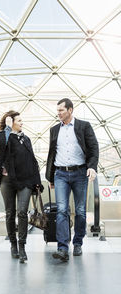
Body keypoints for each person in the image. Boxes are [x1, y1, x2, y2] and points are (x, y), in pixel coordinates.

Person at [45, 98, 99, 262]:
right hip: (60, 174)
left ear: (70, 110)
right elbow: (52, 153)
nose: (59, 113)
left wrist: (92, 166)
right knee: (62, 210)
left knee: (81, 211)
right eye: (58, 111)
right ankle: (62, 248)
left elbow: (93, 147)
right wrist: (51, 176)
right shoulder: (54, 129)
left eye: (61, 110)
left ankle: (78, 243)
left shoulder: (83, 126)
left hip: (80, 173)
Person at [0, 110, 43, 263]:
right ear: (11, 122)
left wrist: (37, 181)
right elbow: (2, 147)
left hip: (25, 181)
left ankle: (22, 246)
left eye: (22, 120)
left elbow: (32, 161)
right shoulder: (1, 136)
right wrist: (7, 129)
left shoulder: (26, 139)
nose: (22, 123)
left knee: (22, 212)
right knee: (10, 213)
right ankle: (13, 245)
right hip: (7, 181)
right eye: (19, 120)